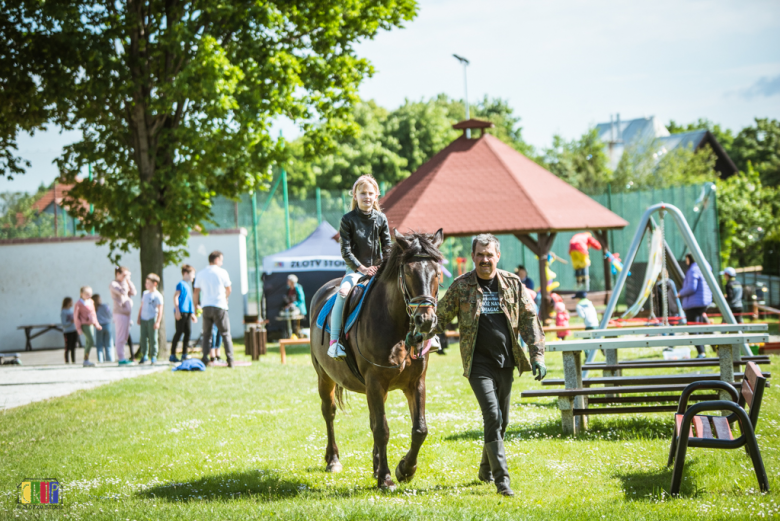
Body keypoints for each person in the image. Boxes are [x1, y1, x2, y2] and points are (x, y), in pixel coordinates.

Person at [436, 234, 547, 497]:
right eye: (480, 255)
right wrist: (418, 333)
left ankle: (485, 469)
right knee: (492, 415)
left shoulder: (512, 283)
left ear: (497, 256)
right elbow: (439, 317)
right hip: (478, 363)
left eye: (489, 254)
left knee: (503, 420)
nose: (485, 259)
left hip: (506, 361)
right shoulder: (461, 285)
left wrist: (537, 355)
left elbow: (530, 318)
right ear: (473, 257)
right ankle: (502, 481)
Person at [328, 174, 392, 360]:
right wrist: (362, 269)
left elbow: (387, 247)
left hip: (379, 270)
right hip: (355, 271)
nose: (367, 197)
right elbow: (346, 251)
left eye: (370, 193)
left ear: (376, 195)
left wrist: (382, 267)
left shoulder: (381, 219)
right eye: (362, 193)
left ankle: (424, 337)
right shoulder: (347, 220)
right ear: (355, 196)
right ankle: (334, 343)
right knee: (342, 293)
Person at [194, 250, 235, 368]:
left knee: (206, 335)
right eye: (221, 260)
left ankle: (205, 359)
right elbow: (229, 289)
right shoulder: (222, 272)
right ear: (216, 260)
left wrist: (196, 306)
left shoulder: (201, 273)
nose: (222, 263)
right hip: (220, 306)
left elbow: (196, 291)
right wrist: (226, 298)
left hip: (206, 307)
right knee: (225, 334)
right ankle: (230, 361)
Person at [678, 253, 713, 358]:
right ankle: (707, 349)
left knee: (693, 329)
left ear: (690, 259)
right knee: (700, 328)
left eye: (687, 259)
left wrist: (680, 293)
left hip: (694, 303)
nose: (686, 262)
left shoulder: (693, 270)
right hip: (703, 302)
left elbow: (692, 288)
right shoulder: (703, 268)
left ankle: (701, 352)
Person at [110, 266, 137, 365]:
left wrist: (129, 281)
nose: (125, 277)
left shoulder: (125, 283)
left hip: (127, 314)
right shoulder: (114, 284)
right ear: (118, 274)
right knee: (120, 336)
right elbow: (123, 292)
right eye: (124, 275)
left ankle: (123, 357)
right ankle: (121, 358)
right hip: (120, 313)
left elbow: (134, 292)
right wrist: (125, 282)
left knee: (125, 336)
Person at [171, 264, 197, 362]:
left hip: (187, 313)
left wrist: (192, 313)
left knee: (188, 332)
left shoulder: (188, 285)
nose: (193, 276)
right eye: (192, 274)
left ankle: (184, 354)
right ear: (186, 273)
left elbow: (189, 301)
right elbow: (176, 297)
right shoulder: (181, 284)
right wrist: (177, 310)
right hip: (181, 312)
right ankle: (172, 354)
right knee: (179, 332)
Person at [137, 273, 164, 364]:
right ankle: (144, 355)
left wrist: (158, 321)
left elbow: (160, 309)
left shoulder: (158, 295)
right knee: (143, 338)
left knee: (153, 338)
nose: (146, 284)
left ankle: (153, 355)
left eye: (148, 283)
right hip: (143, 318)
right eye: (146, 282)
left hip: (152, 318)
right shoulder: (145, 293)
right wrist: (139, 317)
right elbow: (141, 306)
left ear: (155, 283)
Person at [74, 286, 102, 367]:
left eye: (90, 294)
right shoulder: (78, 303)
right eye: (87, 294)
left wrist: (96, 324)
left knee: (88, 342)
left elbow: (93, 314)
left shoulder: (91, 302)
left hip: (91, 324)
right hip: (84, 325)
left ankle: (86, 360)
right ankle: (86, 359)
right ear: (81, 294)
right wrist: (78, 328)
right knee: (91, 341)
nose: (89, 296)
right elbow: (76, 317)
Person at [93, 294, 114, 362]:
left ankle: (100, 360)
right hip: (107, 325)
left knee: (99, 345)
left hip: (99, 326)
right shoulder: (105, 306)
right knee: (108, 344)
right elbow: (110, 315)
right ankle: (109, 360)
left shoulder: (94, 308)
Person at [61, 297, 78, 364]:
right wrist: (71, 322)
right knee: (68, 347)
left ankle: (73, 361)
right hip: (68, 332)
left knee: (73, 347)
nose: (72, 303)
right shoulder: (63, 312)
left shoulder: (71, 310)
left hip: (74, 330)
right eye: (71, 302)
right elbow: (64, 324)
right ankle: (67, 361)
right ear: (67, 302)